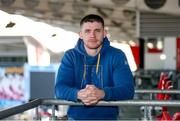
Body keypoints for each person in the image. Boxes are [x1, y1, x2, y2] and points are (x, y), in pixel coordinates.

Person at [55, 14, 134, 120]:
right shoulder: (71, 56)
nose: (92, 35)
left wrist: (102, 93)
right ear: (81, 34)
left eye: (97, 31)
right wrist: (79, 94)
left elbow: (127, 90)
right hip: (76, 118)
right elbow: (59, 89)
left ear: (104, 33)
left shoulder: (116, 55)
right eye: (87, 31)